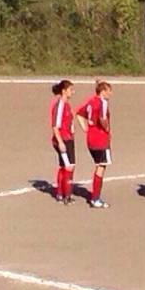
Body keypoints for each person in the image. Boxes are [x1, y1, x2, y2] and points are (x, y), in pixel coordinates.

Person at [75, 80, 112, 209]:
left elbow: (79, 114)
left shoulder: (90, 101)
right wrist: (106, 127)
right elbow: (102, 118)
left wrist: (85, 128)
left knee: (98, 165)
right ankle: (95, 198)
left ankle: (95, 197)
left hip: (90, 138)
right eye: (108, 91)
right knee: (101, 167)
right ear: (103, 91)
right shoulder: (103, 103)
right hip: (100, 139)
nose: (110, 94)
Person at [50, 80, 76, 204]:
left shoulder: (67, 105)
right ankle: (67, 195)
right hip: (63, 140)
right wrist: (60, 142)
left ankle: (60, 193)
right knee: (69, 167)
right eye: (71, 90)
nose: (73, 92)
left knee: (63, 166)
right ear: (64, 91)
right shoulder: (59, 105)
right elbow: (55, 126)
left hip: (68, 139)